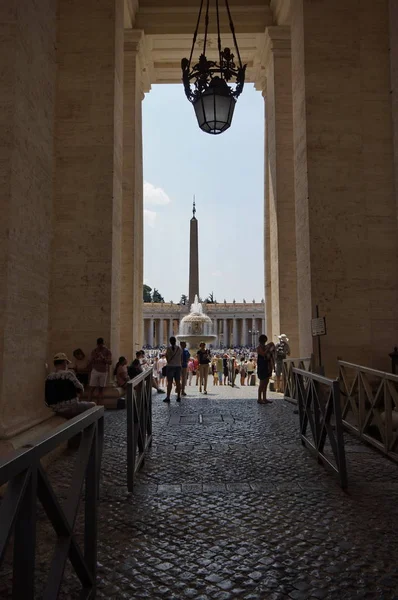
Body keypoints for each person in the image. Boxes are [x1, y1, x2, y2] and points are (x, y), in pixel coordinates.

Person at [45, 353, 95, 418]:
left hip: (55, 409)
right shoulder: (68, 374)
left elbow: (46, 397)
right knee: (93, 405)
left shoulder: (49, 377)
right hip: (70, 407)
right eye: (67, 363)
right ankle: (88, 428)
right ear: (64, 362)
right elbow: (81, 389)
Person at [88, 338, 112, 404]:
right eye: (99, 345)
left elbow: (110, 362)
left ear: (103, 344)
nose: (100, 346)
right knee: (92, 388)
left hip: (104, 372)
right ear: (97, 344)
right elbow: (90, 361)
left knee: (101, 389)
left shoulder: (107, 351)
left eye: (101, 345)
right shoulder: (94, 351)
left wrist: (103, 358)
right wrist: (93, 358)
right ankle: (88, 405)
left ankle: (99, 406)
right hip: (95, 370)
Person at [257, 335, 275, 404]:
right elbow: (263, 354)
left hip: (267, 366)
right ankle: (259, 398)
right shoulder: (259, 348)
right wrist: (268, 348)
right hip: (262, 367)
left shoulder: (265, 347)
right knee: (262, 383)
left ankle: (264, 398)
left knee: (266, 382)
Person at [164, 337, 182, 403]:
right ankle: (178, 396)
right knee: (177, 382)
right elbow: (180, 357)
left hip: (170, 366)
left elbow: (166, 356)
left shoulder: (168, 349)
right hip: (177, 366)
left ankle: (168, 397)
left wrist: (168, 361)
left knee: (170, 382)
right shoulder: (179, 348)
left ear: (170, 342)